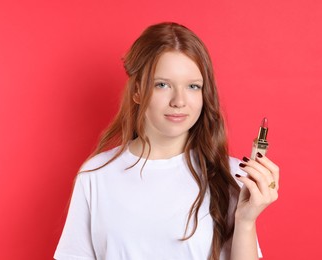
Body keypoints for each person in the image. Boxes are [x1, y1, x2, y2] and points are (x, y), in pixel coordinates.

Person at [54, 22, 279, 260]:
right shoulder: (96, 175)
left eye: (193, 86)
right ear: (138, 91)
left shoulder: (231, 175)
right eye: (163, 85)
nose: (179, 101)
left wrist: (245, 221)